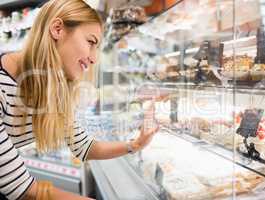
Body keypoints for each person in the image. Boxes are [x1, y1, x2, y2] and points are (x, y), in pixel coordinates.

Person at [0, 0, 161, 199]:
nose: (94, 58)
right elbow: (23, 189)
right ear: (57, 29)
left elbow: (83, 147)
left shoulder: (53, 87)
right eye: (91, 42)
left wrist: (135, 144)